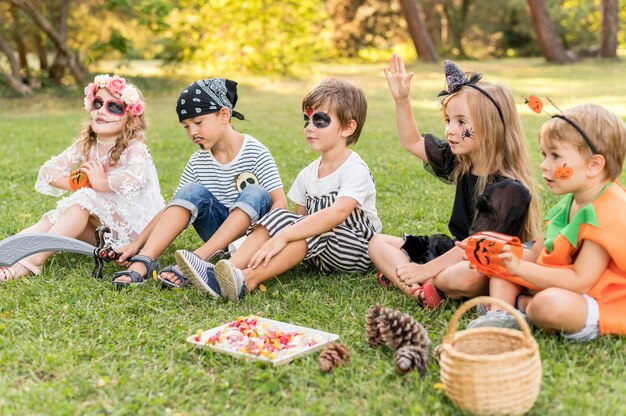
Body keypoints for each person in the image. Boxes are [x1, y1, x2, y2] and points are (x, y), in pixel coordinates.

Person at [175, 78, 381, 301]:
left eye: (320, 121)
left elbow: (336, 214)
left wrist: (284, 236)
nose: (310, 127)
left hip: (357, 251)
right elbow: (295, 218)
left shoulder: (354, 169)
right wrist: (283, 237)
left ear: (348, 127)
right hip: (321, 254)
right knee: (284, 216)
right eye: (307, 120)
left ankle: (247, 279)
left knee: (315, 228)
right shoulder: (307, 174)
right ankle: (224, 272)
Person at [368, 54, 542, 309]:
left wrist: (425, 268)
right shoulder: (461, 160)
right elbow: (412, 142)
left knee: (462, 276)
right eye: (448, 120)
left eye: (461, 122)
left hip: (481, 263)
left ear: (490, 127)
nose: (449, 129)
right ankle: (420, 291)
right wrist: (402, 100)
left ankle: (411, 277)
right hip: (453, 250)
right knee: (377, 243)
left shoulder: (509, 189)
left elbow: (475, 247)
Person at [467, 103, 626, 340]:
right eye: (544, 155)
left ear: (594, 165)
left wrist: (519, 268)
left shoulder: (609, 211)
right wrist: (492, 251)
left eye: (555, 156)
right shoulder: (573, 200)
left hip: (601, 300)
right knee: (506, 261)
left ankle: (523, 307)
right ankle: (499, 312)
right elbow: (537, 254)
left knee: (548, 305)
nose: (544, 165)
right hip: (566, 285)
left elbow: (580, 281)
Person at [112, 78, 287, 288]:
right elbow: (173, 207)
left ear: (223, 114)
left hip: (251, 239)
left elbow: (280, 205)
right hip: (217, 234)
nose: (192, 132)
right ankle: (144, 262)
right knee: (190, 191)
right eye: (186, 126)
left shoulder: (256, 152)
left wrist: (272, 241)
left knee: (256, 192)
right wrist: (137, 244)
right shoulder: (198, 161)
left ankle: (198, 260)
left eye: (198, 122)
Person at [0, 74, 164, 281]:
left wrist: (101, 182)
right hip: (100, 227)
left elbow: (134, 180)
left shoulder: (134, 148)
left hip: (132, 233)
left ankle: (31, 262)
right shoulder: (88, 144)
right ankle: (7, 251)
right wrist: (77, 183)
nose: (102, 111)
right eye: (97, 104)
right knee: (56, 215)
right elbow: (48, 170)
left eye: (113, 107)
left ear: (131, 118)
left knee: (82, 202)